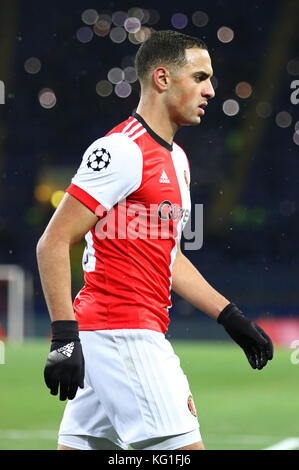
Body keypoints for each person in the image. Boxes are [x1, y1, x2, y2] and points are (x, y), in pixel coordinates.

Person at [36, 30, 273, 451]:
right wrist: (62, 338)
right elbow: (54, 241)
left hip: (115, 336)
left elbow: (170, 258)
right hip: (124, 335)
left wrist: (230, 317)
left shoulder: (177, 160)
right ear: (163, 79)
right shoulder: (121, 151)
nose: (211, 91)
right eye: (200, 77)